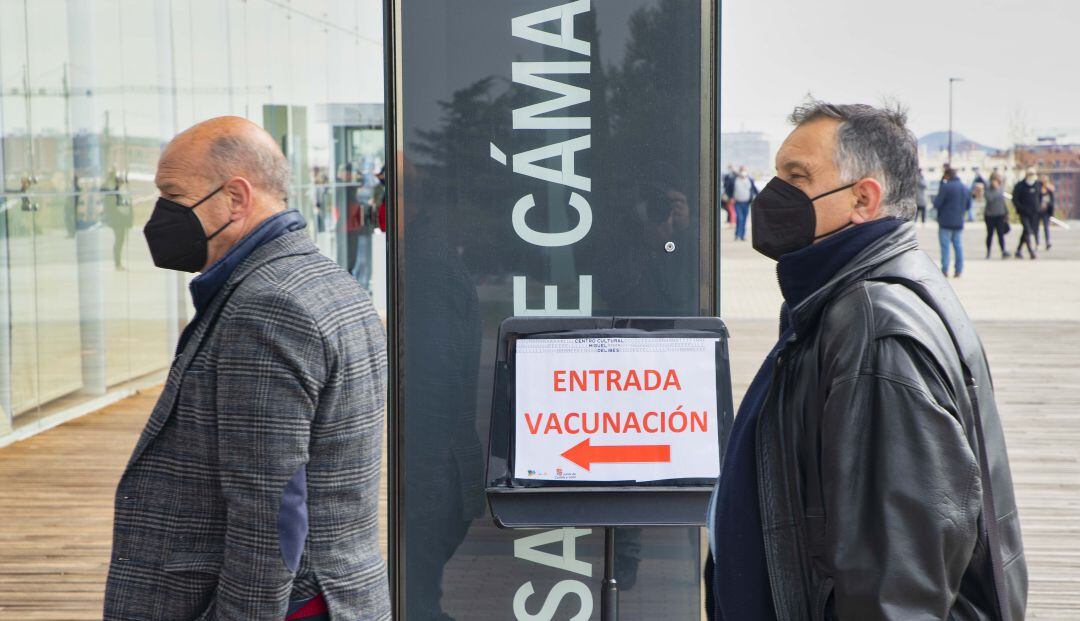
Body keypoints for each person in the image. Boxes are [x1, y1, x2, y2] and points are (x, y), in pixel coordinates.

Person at [704, 101, 1026, 621]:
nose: (774, 195)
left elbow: (897, 589)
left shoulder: (875, 329)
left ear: (863, 198)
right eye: (776, 175)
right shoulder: (845, 300)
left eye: (797, 176)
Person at [104, 117, 390, 621]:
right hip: (333, 592)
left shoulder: (267, 306)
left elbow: (270, 510)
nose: (160, 214)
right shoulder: (326, 281)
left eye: (173, 194)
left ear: (235, 198)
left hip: (289, 605)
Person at [933, 165, 968, 277]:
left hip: (945, 221)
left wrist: (941, 184)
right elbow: (968, 204)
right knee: (958, 246)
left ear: (947, 175)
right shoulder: (964, 187)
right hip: (958, 221)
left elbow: (937, 203)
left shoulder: (945, 187)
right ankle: (958, 269)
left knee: (945, 246)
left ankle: (945, 269)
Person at [1012, 167, 1041, 259]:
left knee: (1026, 232)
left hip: (1034, 213)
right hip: (1024, 213)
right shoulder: (1020, 186)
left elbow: (1039, 197)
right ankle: (1031, 252)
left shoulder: (1037, 185)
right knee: (1027, 231)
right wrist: (1020, 208)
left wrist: (1038, 208)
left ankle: (1018, 250)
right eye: (1030, 174)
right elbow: (1015, 199)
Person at [984, 173, 1011, 258]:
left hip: (1000, 214)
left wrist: (1006, 212)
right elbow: (989, 198)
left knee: (1000, 234)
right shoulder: (988, 189)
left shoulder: (1000, 188)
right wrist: (996, 189)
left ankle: (1003, 250)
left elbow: (1002, 201)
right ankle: (988, 252)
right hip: (990, 215)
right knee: (990, 234)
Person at [731, 165, 758, 241]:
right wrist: (730, 197)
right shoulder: (735, 179)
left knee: (744, 219)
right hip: (737, 202)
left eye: (745, 170)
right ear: (739, 171)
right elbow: (729, 188)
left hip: (746, 203)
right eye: (742, 170)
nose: (743, 172)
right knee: (740, 218)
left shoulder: (750, 180)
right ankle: (737, 235)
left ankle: (742, 236)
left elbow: (754, 189)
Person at [1037, 174, 1054, 250]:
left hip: (1046, 211)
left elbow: (1052, 200)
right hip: (1038, 210)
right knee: (1036, 227)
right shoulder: (1038, 187)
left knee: (1046, 227)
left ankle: (1048, 242)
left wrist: (1051, 211)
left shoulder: (1049, 188)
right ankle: (1037, 242)